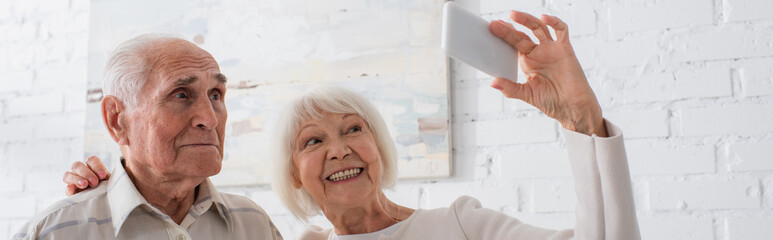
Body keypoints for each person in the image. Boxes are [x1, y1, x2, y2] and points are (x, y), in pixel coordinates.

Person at [62, 11, 641, 239]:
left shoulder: (462, 224)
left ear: (379, 145)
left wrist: (581, 119)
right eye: (313, 141)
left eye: (353, 129)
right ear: (295, 174)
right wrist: (110, 186)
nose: (339, 150)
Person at [13, 34, 283, 240]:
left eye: (215, 95)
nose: (210, 119)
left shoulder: (255, 225)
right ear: (116, 119)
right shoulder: (56, 232)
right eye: (181, 95)